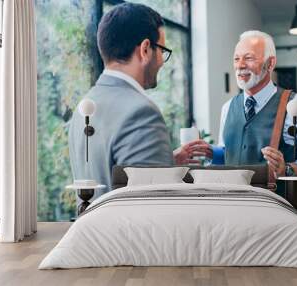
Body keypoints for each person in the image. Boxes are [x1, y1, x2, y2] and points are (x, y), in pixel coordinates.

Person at [69, 2, 211, 193]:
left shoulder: (83, 108)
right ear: (145, 49)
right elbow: (154, 207)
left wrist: (166, 162)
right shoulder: (142, 113)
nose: (162, 61)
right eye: (162, 50)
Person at [212, 30, 297, 184]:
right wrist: (210, 153)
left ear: (270, 63)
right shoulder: (228, 107)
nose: (240, 65)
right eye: (236, 59)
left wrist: (286, 169)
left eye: (249, 58)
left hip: (276, 204)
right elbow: (229, 153)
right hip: (233, 202)